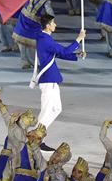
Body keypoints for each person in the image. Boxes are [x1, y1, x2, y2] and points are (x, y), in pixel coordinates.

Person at [31, 14, 85, 147]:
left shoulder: (44, 38)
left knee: (55, 109)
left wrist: (76, 55)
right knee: (47, 110)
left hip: (50, 80)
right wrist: (78, 39)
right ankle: (36, 138)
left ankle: (38, 135)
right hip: (48, 80)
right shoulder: (45, 40)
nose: (55, 25)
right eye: (53, 23)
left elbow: (60, 53)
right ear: (48, 26)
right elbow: (64, 50)